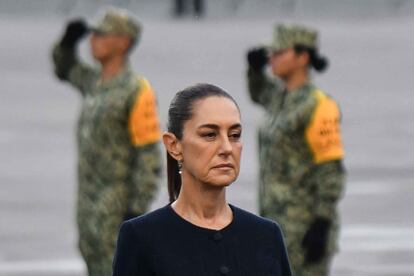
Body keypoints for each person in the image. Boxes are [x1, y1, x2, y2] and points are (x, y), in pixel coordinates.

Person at [113, 83, 292, 276]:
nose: (226, 148)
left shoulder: (266, 236)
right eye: (209, 135)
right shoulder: (142, 237)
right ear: (174, 145)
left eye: (234, 135)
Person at [51, 8, 162, 276]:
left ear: (123, 42)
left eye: (101, 35)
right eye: (92, 35)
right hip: (88, 204)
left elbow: (149, 157)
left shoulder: (136, 90)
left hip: (115, 207)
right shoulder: (95, 82)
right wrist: (67, 42)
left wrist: (135, 211)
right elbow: (64, 68)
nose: (93, 40)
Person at [246, 24, 346, 276]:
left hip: (304, 226)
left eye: (280, 53)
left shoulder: (318, 105)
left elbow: (330, 170)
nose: (273, 59)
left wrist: (322, 222)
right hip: (276, 223)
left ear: (303, 57)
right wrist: (254, 70)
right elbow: (259, 93)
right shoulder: (282, 98)